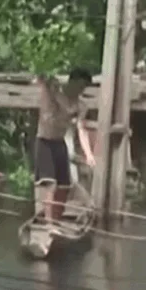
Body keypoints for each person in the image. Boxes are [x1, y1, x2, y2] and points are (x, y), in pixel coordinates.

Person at [34, 68, 95, 227]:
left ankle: (56, 221)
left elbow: (81, 129)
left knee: (64, 187)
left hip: (59, 143)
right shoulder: (53, 92)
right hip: (44, 141)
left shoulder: (80, 106)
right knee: (50, 184)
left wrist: (89, 154)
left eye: (84, 88)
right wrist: (44, 78)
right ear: (71, 82)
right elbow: (41, 79)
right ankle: (48, 224)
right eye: (80, 86)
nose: (81, 90)